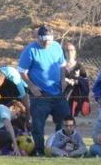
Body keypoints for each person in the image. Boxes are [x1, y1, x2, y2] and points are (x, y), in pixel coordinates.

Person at [19, 25, 67, 156]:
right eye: (43, 39)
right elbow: (22, 72)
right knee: (38, 126)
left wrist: (63, 80)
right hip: (40, 96)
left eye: (49, 39)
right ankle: (39, 150)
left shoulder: (57, 47)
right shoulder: (30, 50)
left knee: (64, 121)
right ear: (38, 38)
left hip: (58, 94)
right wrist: (32, 86)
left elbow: (63, 65)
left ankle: (59, 148)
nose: (47, 42)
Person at [61, 41, 91, 117]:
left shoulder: (80, 66)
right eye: (67, 50)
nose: (69, 52)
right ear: (64, 53)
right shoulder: (61, 66)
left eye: (72, 50)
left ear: (75, 52)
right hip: (63, 95)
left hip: (76, 97)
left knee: (72, 118)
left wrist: (75, 81)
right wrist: (64, 81)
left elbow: (85, 82)